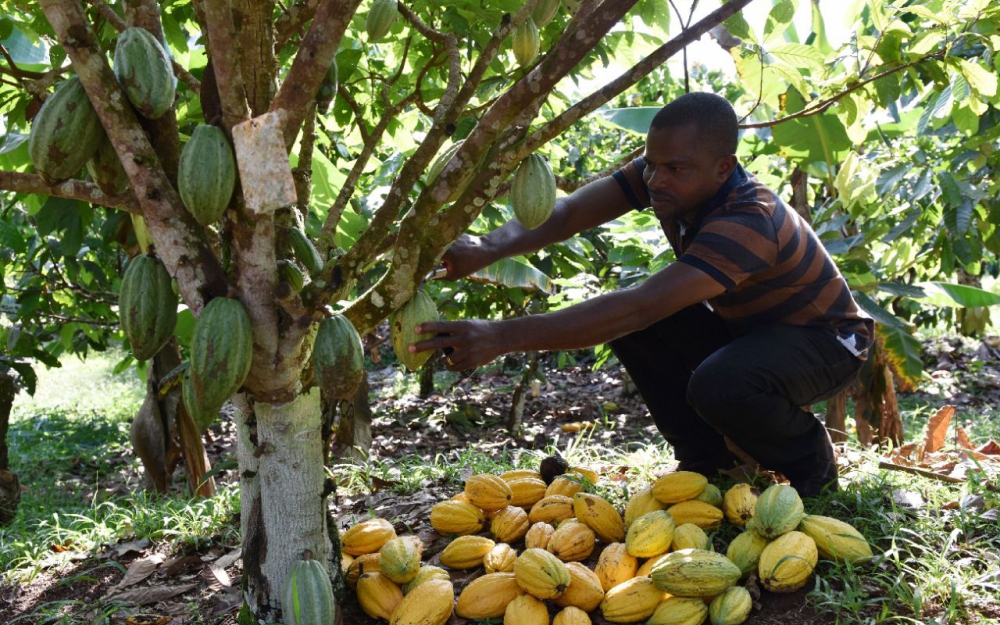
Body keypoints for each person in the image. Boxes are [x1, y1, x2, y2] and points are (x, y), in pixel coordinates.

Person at [411, 92, 873, 497]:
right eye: (651, 164)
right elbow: (571, 212)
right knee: (640, 330)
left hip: (828, 343)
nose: (656, 180)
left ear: (723, 169)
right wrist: (485, 247)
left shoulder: (750, 219)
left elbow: (640, 307)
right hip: (755, 332)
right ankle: (709, 464)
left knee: (714, 378)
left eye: (674, 169)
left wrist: (500, 337)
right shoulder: (668, 178)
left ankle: (811, 467)